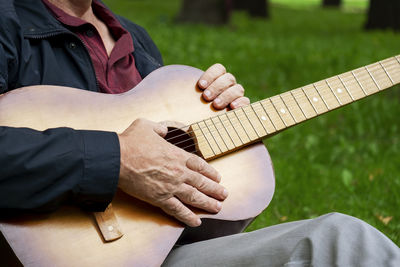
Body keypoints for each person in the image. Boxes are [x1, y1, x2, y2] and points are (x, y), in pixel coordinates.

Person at [0, 0, 399, 266]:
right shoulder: (7, 23)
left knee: (340, 242)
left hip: (158, 253)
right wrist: (117, 158)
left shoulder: (134, 40)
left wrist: (229, 124)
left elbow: (167, 170)